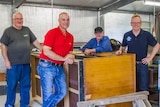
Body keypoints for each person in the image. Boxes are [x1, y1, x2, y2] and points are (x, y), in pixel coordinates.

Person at [0, 11, 42, 107]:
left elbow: (35, 42)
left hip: (26, 64)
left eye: (21, 19)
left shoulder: (27, 30)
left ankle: (24, 104)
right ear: (13, 20)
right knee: (12, 86)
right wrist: (6, 60)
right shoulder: (8, 31)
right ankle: (10, 104)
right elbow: (3, 46)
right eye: (17, 19)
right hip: (13, 64)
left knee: (26, 86)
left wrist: (44, 51)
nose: (19, 20)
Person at [37, 12, 74, 107]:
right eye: (63, 19)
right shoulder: (52, 33)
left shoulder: (70, 37)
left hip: (59, 67)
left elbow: (70, 53)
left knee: (62, 92)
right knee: (48, 95)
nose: (66, 22)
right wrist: (63, 58)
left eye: (67, 19)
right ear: (59, 21)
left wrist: (71, 57)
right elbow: (46, 51)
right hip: (46, 66)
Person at [116, 14, 160, 91]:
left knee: (143, 88)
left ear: (141, 23)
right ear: (131, 24)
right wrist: (120, 51)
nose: (136, 24)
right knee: (131, 87)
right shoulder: (127, 35)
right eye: (134, 23)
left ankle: (143, 103)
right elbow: (123, 46)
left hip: (142, 64)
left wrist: (150, 58)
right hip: (130, 65)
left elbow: (157, 45)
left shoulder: (146, 35)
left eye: (138, 22)